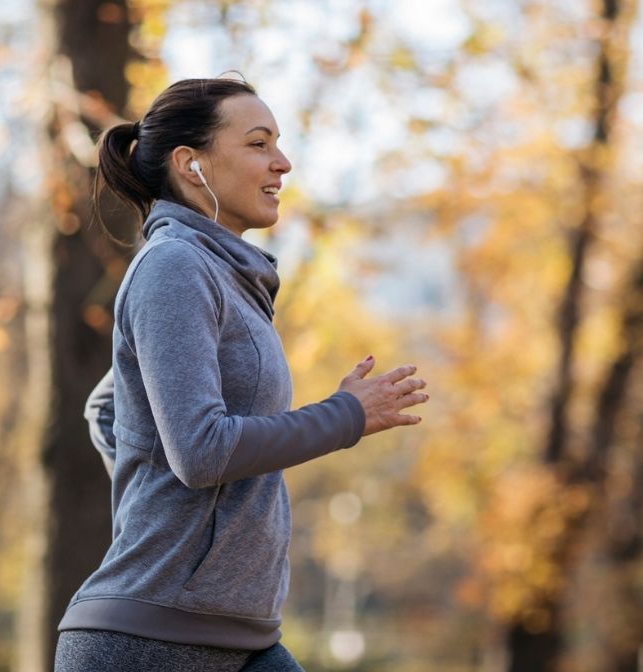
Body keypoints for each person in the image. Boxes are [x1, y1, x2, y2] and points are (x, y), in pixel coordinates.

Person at [55, 78, 429, 671]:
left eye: (277, 144)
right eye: (258, 144)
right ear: (191, 164)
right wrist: (346, 415)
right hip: (148, 645)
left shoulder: (227, 276)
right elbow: (199, 452)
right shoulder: (174, 266)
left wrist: (160, 510)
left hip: (244, 639)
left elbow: (109, 409)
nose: (282, 162)